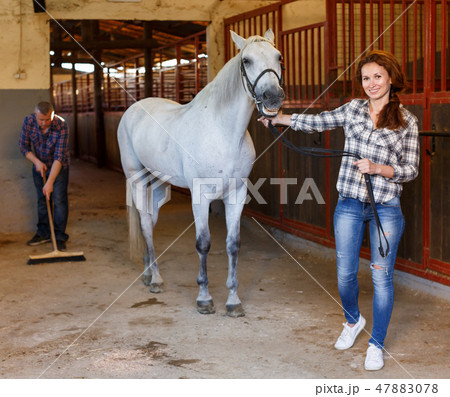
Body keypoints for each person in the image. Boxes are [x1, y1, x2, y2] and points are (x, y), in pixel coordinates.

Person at [258, 50, 419, 371]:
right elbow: (317, 121)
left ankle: (376, 344)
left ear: (390, 79)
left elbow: (411, 169)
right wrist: (278, 119)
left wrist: (377, 167)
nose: (371, 83)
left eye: (377, 76)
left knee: (381, 278)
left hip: (385, 208)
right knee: (345, 274)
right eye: (365, 78)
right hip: (348, 204)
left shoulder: (407, 121)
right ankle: (352, 320)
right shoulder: (353, 110)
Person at [19, 101, 70, 251]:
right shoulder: (29, 122)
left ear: (53, 114)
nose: (44, 123)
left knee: (59, 200)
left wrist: (49, 182)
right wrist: (36, 162)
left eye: (48, 119)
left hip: (58, 167)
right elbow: (23, 146)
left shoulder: (61, 125)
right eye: (41, 119)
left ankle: (59, 236)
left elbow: (59, 157)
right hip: (39, 166)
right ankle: (43, 233)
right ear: (35, 115)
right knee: (42, 200)